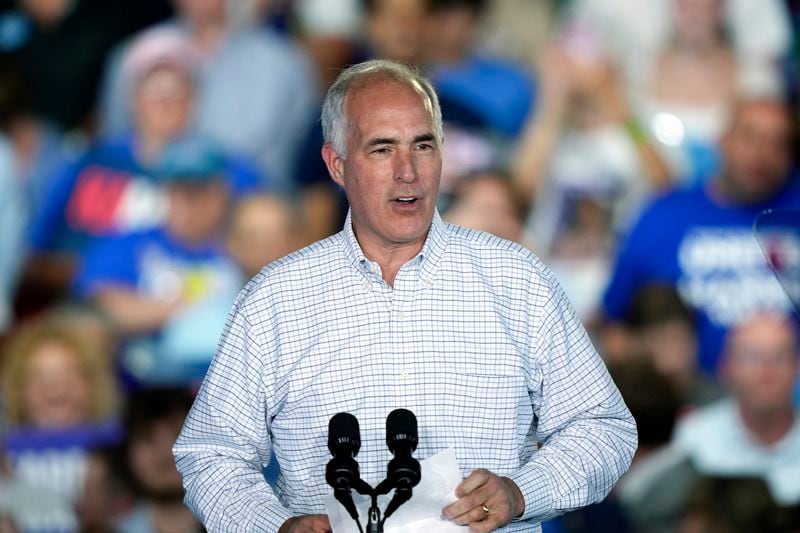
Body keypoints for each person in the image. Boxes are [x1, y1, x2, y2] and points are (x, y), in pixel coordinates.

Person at [174, 59, 637, 533]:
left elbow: (603, 428)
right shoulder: (275, 299)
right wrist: (274, 527)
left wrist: (522, 492)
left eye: (423, 145)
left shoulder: (515, 280)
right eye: (382, 149)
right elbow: (211, 454)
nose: (408, 172)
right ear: (337, 164)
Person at [602, 97, 800, 373]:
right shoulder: (664, 215)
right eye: (750, 136)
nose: (762, 153)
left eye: (777, 143)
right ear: (722, 140)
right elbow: (611, 323)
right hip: (685, 396)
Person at [672, 311, 800, 506]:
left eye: (780, 356)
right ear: (725, 367)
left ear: (796, 367)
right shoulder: (693, 437)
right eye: (752, 357)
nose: (767, 371)